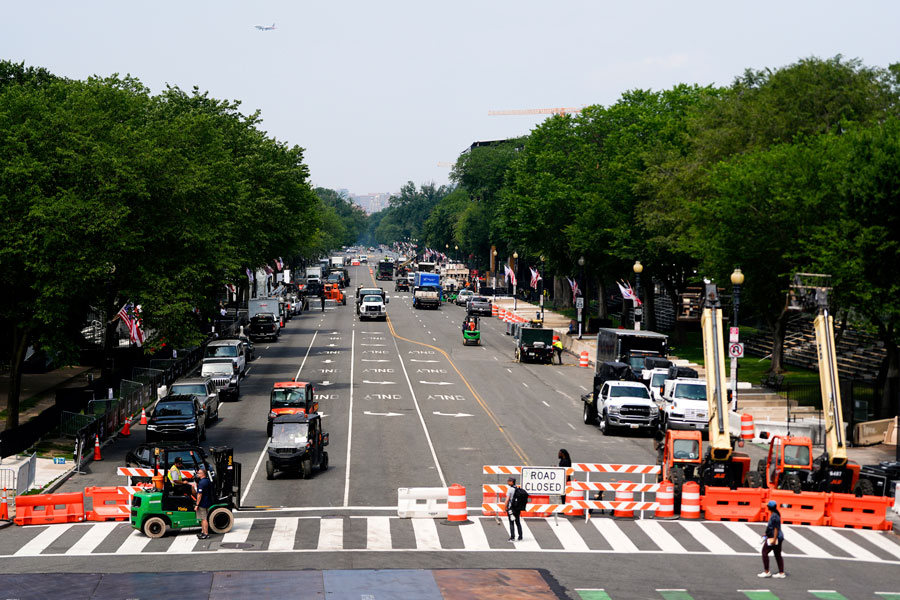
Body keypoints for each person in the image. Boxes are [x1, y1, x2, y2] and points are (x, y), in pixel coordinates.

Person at [759, 500, 786, 578]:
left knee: (764, 552)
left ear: (769, 507)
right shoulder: (775, 514)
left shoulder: (774, 516)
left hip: (775, 537)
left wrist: (774, 539)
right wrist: (766, 534)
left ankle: (767, 571)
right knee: (777, 555)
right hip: (777, 537)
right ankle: (781, 573)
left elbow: (776, 528)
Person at [503, 477, 523, 542]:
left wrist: (504, 508)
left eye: (509, 481)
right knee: (518, 522)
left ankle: (512, 537)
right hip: (517, 509)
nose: (508, 482)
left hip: (511, 509)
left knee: (511, 523)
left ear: (512, 482)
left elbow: (507, 500)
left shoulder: (510, 489)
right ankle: (520, 536)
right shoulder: (517, 489)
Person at [195, 468, 213, 540]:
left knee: (204, 519)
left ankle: (205, 534)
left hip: (203, 503)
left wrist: (197, 505)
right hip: (208, 502)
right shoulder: (207, 481)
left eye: (199, 473)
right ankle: (203, 532)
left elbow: (199, 494)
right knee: (203, 519)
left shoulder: (202, 483)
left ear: (203, 474)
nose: (197, 474)